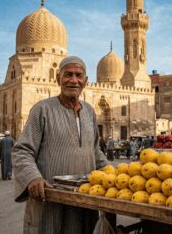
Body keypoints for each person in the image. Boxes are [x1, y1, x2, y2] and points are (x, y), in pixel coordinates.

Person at [12, 56, 109, 233]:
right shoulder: (42, 109)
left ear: (85, 82)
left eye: (79, 75)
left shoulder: (89, 111)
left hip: (84, 199)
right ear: (58, 79)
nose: (73, 80)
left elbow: (95, 152)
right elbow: (22, 150)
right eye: (68, 75)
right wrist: (32, 177)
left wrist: (115, 173)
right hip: (50, 200)